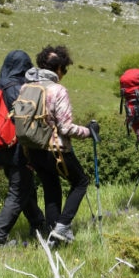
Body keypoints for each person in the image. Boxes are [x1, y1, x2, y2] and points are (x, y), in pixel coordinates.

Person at [23, 45, 93, 244]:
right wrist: (88, 131)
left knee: (51, 187)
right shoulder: (57, 90)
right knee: (80, 182)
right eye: (65, 69)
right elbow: (65, 128)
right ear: (59, 68)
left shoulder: (27, 87)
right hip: (55, 150)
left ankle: (51, 234)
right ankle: (62, 227)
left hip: (33, 150)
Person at [0, 50, 46, 250]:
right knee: (18, 192)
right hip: (18, 149)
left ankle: (38, 224)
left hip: (0, 148)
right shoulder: (19, 89)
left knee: (25, 189)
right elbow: (25, 124)